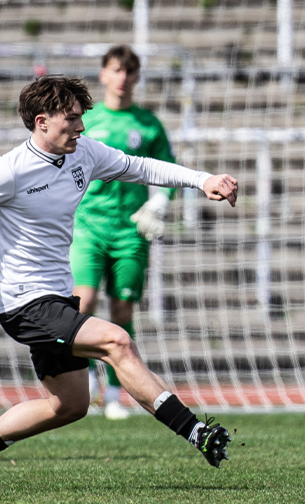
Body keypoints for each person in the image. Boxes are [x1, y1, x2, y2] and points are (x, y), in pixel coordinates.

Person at [0, 75, 238, 489]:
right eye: (71, 119)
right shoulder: (7, 170)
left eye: (80, 118)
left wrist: (202, 179)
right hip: (24, 302)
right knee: (117, 341)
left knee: (69, 405)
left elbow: (141, 167)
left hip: (57, 298)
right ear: (41, 122)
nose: (81, 127)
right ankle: (196, 432)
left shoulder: (84, 152)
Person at [71, 45, 177, 420]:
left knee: (122, 310)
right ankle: (86, 382)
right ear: (103, 74)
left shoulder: (148, 124)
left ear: (137, 77)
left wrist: (158, 203)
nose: (123, 78)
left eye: (129, 72)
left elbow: (167, 170)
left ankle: (115, 394)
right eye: (116, 70)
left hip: (130, 231)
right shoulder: (88, 120)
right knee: (81, 304)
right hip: (88, 227)